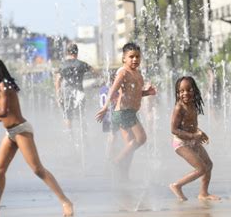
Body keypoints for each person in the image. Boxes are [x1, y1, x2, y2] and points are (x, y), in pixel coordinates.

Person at [0, 56, 73, 217]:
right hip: (11, 133)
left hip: (21, 131)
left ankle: (65, 201)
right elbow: (3, 117)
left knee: (37, 169)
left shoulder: (5, 86)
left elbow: (4, 112)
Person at [96, 43, 156, 180]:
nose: (135, 59)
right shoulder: (123, 72)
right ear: (124, 58)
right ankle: (116, 162)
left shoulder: (138, 74)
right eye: (131, 57)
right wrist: (105, 107)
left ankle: (123, 175)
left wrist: (147, 92)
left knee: (130, 146)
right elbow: (112, 89)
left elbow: (136, 94)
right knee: (141, 139)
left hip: (130, 112)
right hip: (123, 112)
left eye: (137, 57)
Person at [168, 76, 220, 202]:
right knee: (201, 168)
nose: (185, 93)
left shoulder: (193, 104)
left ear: (195, 91)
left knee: (208, 164)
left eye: (189, 90)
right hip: (180, 143)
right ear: (177, 93)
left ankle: (203, 193)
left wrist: (200, 132)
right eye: (181, 91)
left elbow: (191, 125)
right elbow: (174, 130)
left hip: (192, 140)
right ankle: (177, 185)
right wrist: (193, 136)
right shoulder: (179, 108)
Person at [54, 43, 93, 130]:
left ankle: (70, 137)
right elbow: (95, 71)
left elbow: (57, 81)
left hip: (67, 94)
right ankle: (84, 137)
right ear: (77, 52)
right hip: (79, 93)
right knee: (81, 115)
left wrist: (58, 96)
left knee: (68, 117)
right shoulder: (81, 64)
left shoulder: (62, 65)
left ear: (67, 52)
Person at [99, 70, 119, 160]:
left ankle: (110, 152)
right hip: (111, 114)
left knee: (111, 135)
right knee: (113, 135)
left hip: (105, 116)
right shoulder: (113, 90)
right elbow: (116, 100)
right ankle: (109, 155)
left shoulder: (103, 88)